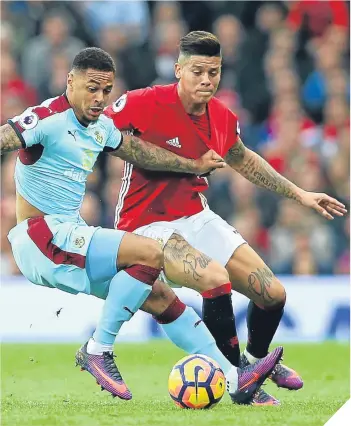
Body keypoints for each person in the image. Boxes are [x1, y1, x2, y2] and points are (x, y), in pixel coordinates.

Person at [0, 47, 283, 404]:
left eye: (106, 90)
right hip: (40, 236)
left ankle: (235, 381)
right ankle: (98, 349)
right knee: (151, 252)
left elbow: (140, 152)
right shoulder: (45, 118)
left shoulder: (100, 126)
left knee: (162, 297)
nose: (100, 98)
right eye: (91, 88)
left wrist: (192, 165)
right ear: (70, 81)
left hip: (66, 237)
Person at [105, 32, 347, 405]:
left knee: (273, 294)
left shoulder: (221, 116)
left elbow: (243, 159)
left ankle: (254, 360)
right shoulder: (144, 102)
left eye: (213, 72)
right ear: (178, 70)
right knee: (214, 280)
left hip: (196, 216)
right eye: (198, 71)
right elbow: (97, 132)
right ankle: (238, 381)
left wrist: (300, 194)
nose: (206, 80)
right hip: (146, 225)